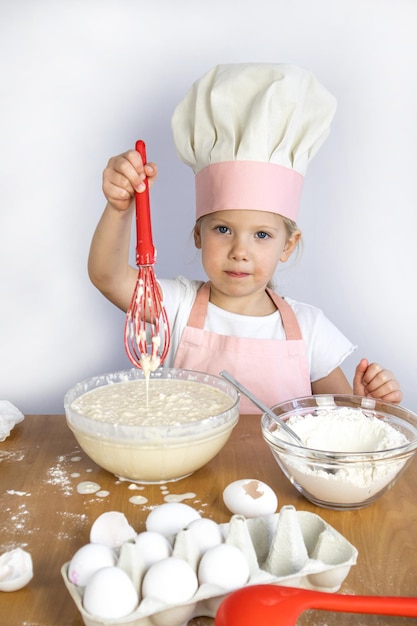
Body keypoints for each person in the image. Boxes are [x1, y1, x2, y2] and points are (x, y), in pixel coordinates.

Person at [88, 63, 402, 413]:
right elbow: (107, 276)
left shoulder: (310, 330)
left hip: (277, 470)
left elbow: (341, 419)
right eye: (223, 230)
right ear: (198, 235)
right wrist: (119, 209)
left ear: (288, 245)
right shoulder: (177, 306)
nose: (240, 251)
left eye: (262, 235)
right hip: (192, 467)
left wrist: (364, 405)